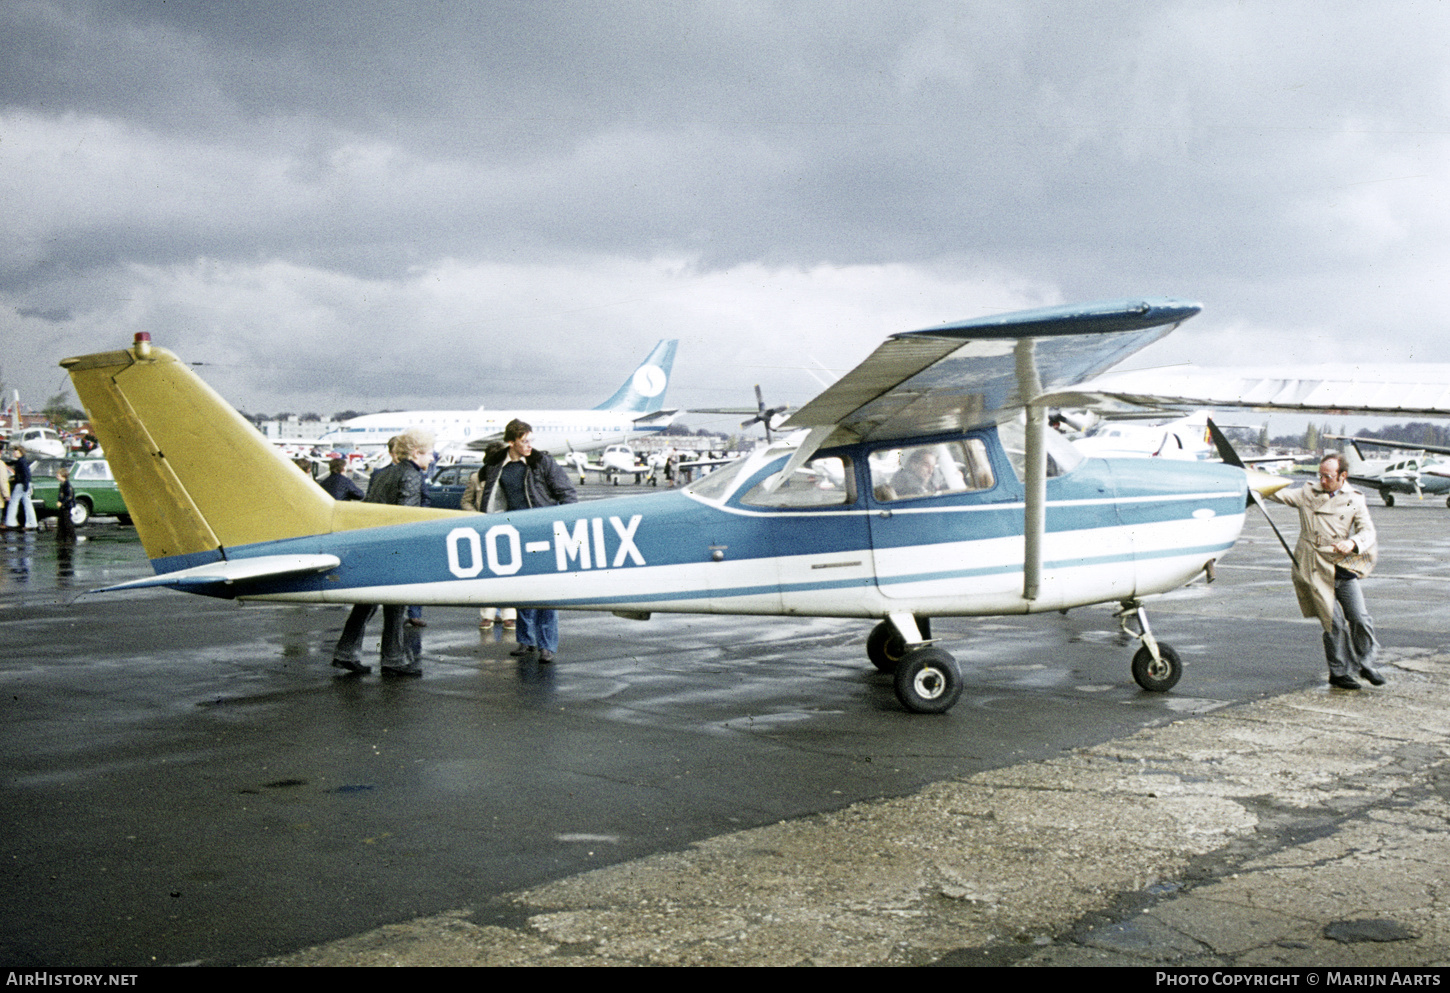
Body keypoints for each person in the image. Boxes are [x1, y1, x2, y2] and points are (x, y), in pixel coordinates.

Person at [1267, 453, 1383, 690]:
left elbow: (1367, 531)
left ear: (1343, 476)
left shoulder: (1354, 499)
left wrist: (1352, 544)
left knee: (1360, 618)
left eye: (1328, 476)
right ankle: (1339, 673)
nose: (1322, 480)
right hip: (1313, 565)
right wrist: (1253, 482)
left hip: (1341, 564)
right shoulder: (1308, 492)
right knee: (1334, 623)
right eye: (1320, 475)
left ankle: (1367, 664)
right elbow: (1279, 493)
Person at [330, 430, 435, 677]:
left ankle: (346, 651)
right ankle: (393, 658)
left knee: (367, 602)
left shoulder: (381, 474)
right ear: (416, 452)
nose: (431, 458)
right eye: (429, 453)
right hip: (394, 550)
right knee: (396, 606)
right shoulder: (411, 475)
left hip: (374, 545)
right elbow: (407, 517)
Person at [477, 419, 577, 662]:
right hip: (513, 534)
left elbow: (567, 494)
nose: (530, 445)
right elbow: (490, 498)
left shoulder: (542, 462)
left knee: (545, 592)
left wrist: (560, 524)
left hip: (542, 532)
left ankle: (547, 646)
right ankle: (526, 640)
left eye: (531, 440)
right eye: (524, 441)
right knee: (520, 590)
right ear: (511, 442)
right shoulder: (496, 465)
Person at [461, 443, 516, 630]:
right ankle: (488, 615)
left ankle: (509, 615)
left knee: (508, 574)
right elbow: (466, 501)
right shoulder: (477, 477)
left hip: (506, 530)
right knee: (486, 575)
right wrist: (477, 515)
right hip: (483, 531)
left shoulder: (510, 476)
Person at [4, 446, 37, 531]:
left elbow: (25, 473)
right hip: (25, 483)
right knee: (27, 503)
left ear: (21, 453)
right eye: (14, 452)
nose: (15, 453)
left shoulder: (21, 462)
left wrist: (24, 484)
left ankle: (11, 522)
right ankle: (32, 523)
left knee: (13, 502)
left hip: (21, 484)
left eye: (17, 452)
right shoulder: (22, 461)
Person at [54, 466, 77, 543]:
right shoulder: (62, 484)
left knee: (67, 522)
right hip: (63, 506)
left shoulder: (67, 485)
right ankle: (61, 536)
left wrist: (62, 502)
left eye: (58, 475)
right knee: (61, 521)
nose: (57, 477)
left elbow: (69, 496)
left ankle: (71, 537)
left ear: (63, 476)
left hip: (67, 506)